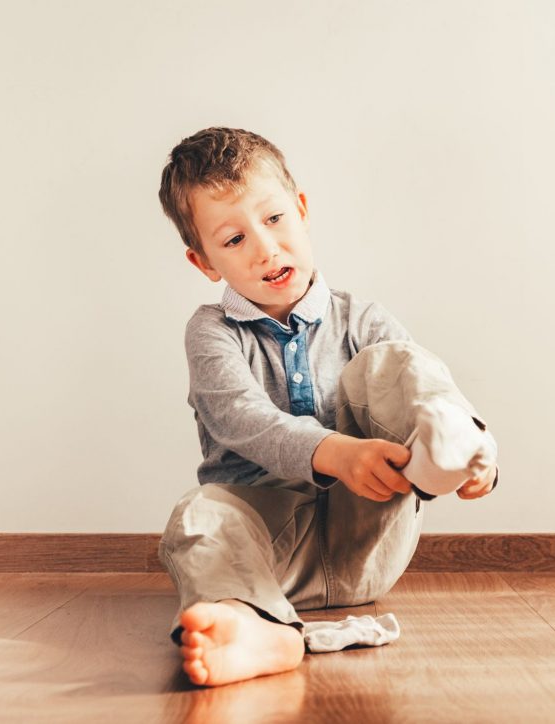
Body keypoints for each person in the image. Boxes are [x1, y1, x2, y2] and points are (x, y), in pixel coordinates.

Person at [155, 127, 499, 687]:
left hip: (371, 530)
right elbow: (240, 416)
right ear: (204, 262)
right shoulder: (212, 332)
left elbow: (416, 380)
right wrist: (333, 451)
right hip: (272, 559)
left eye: (273, 220)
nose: (265, 248)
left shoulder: (362, 319)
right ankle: (258, 626)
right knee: (199, 514)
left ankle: (453, 449)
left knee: (390, 363)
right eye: (234, 239)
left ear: (302, 209)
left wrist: (475, 454)